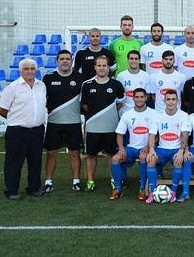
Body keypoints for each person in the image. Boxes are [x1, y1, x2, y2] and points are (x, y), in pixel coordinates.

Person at [0, 58, 47, 200]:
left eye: (32, 68)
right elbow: (1, 109)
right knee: (14, 162)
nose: (29, 71)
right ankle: (12, 190)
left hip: (37, 131)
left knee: (35, 162)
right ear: (20, 71)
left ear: (36, 70)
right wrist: (16, 119)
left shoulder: (41, 85)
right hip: (17, 131)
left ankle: (34, 188)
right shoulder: (12, 87)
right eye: (26, 69)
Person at [80, 55, 125, 191]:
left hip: (111, 127)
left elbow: (120, 103)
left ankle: (114, 179)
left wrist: (108, 115)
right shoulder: (87, 85)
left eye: (104, 65)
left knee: (111, 155)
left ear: (108, 67)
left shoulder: (116, 84)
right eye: (99, 65)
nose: (101, 68)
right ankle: (90, 181)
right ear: (95, 67)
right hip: (93, 127)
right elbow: (85, 105)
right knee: (91, 155)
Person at [42, 50, 84, 193]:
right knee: (51, 153)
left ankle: (76, 181)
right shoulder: (48, 78)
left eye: (67, 59)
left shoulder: (80, 78)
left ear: (72, 61)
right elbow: (42, 99)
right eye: (62, 59)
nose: (65, 61)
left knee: (74, 153)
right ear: (57, 61)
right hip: (54, 123)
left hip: (74, 123)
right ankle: (48, 181)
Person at [145, 90, 191, 204]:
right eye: (168, 99)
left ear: (177, 101)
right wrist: (151, 150)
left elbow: (185, 135)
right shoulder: (157, 116)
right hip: (161, 149)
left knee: (178, 160)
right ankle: (153, 192)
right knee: (150, 159)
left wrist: (181, 151)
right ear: (164, 101)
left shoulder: (184, 116)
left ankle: (173, 193)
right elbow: (152, 134)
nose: (171, 102)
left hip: (176, 149)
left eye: (173, 99)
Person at [109, 88, 155, 201]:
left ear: (146, 98)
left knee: (143, 157)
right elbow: (119, 134)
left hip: (145, 148)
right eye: (137, 97)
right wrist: (121, 149)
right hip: (131, 148)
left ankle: (142, 189)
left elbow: (156, 134)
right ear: (133, 98)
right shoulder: (127, 114)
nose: (139, 99)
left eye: (141, 97)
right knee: (115, 159)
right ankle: (117, 190)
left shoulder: (153, 113)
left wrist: (148, 146)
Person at [117, 50, 150, 114]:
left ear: (139, 60)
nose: (134, 61)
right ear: (128, 60)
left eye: (136, 59)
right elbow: (118, 96)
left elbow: (147, 95)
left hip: (141, 113)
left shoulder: (145, 75)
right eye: (131, 58)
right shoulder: (121, 76)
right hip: (125, 112)